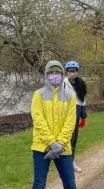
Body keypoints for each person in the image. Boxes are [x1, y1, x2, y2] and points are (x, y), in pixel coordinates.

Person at [31, 61, 77, 189]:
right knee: (39, 184)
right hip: (41, 146)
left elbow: (70, 122)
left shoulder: (70, 95)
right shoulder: (38, 95)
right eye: (51, 72)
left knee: (70, 184)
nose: (54, 75)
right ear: (46, 74)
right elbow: (39, 122)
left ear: (63, 74)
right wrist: (52, 143)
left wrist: (60, 143)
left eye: (57, 72)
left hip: (63, 147)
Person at [65, 61, 87, 173]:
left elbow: (82, 101)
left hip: (77, 114)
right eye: (70, 71)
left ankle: (71, 161)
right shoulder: (62, 83)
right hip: (65, 115)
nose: (72, 73)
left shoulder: (81, 83)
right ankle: (64, 162)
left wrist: (83, 117)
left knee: (74, 140)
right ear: (66, 71)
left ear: (77, 71)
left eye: (74, 71)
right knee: (66, 139)